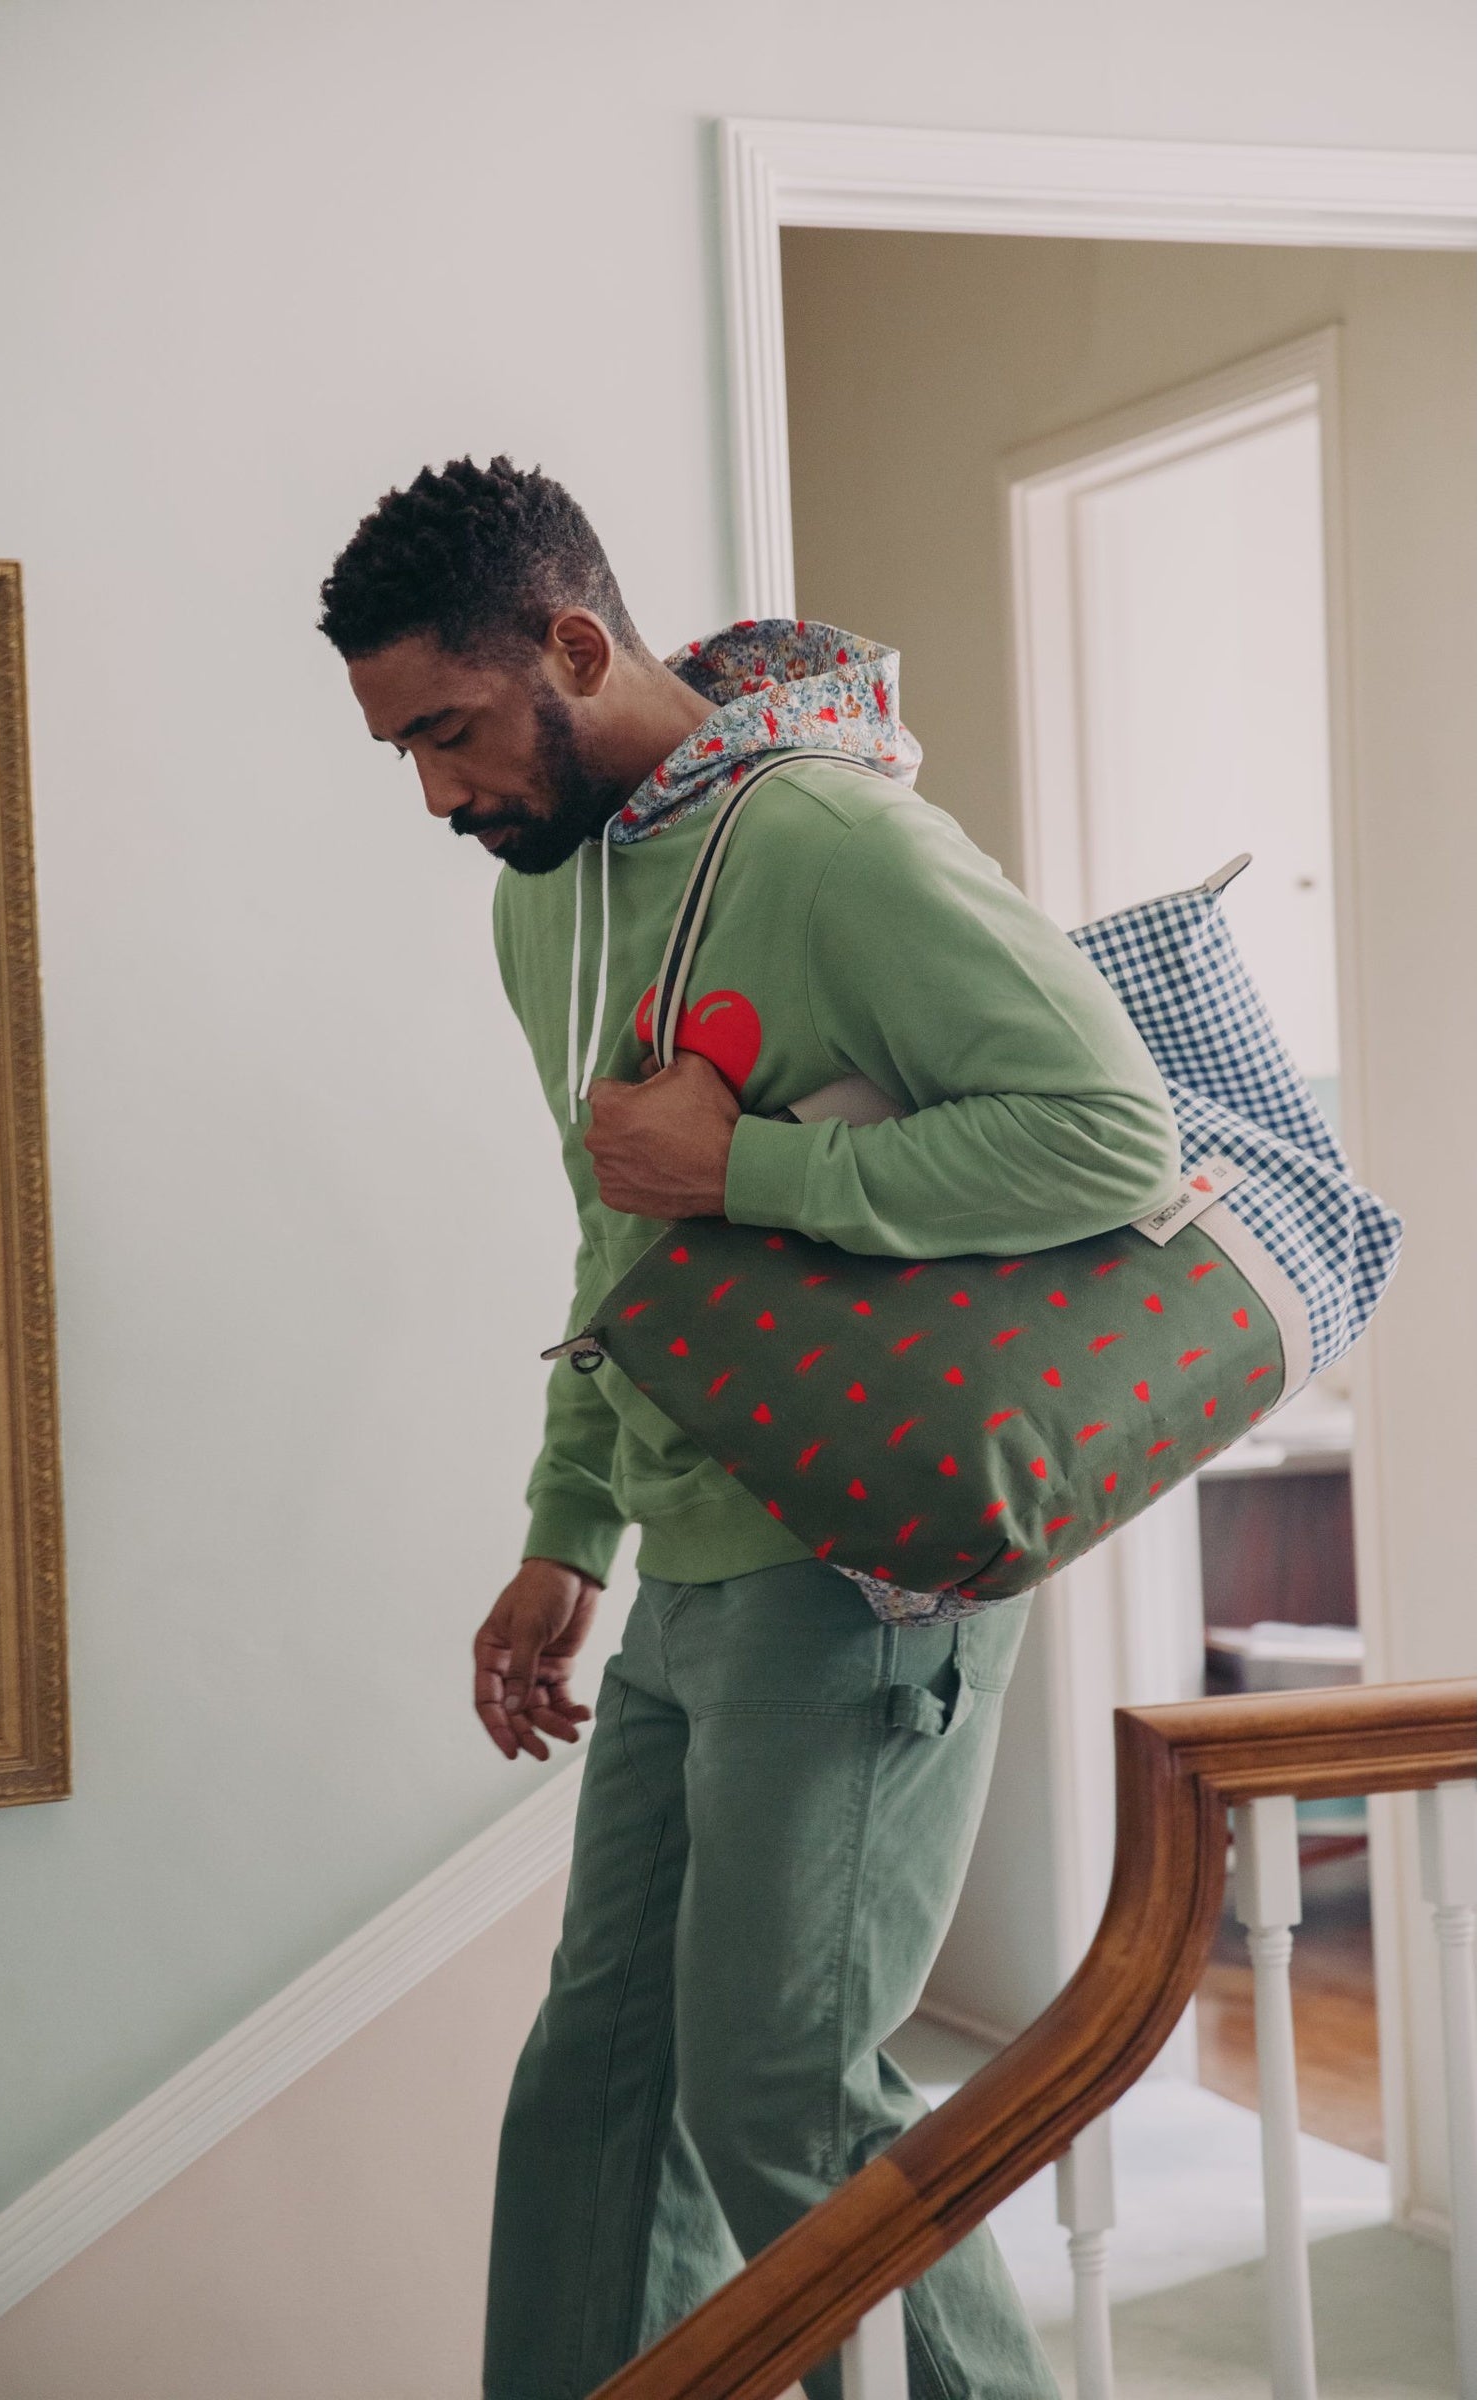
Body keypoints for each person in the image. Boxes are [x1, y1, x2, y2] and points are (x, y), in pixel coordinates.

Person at [319, 456, 1180, 2400]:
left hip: (860, 1558)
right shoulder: (551, 903)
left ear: (574, 647)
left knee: (780, 2096)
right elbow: (617, 1230)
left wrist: (756, 1169)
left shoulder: (832, 841)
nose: (439, 795)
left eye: (449, 732)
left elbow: (1112, 1137)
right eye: (404, 753)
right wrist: (568, 1530)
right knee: (597, 2097)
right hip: (690, 1564)